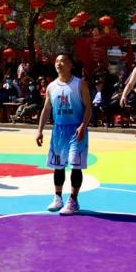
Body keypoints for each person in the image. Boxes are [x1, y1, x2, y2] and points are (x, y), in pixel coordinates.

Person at [35, 53, 91, 216]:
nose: (59, 63)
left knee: (75, 165)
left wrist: (83, 126)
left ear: (70, 65)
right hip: (59, 131)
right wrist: (39, 130)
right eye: (57, 61)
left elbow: (88, 107)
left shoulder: (80, 84)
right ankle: (58, 197)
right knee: (58, 166)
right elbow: (46, 109)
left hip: (76, 130)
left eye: (63, 61)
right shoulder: (52, 86)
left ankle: (73, 200)